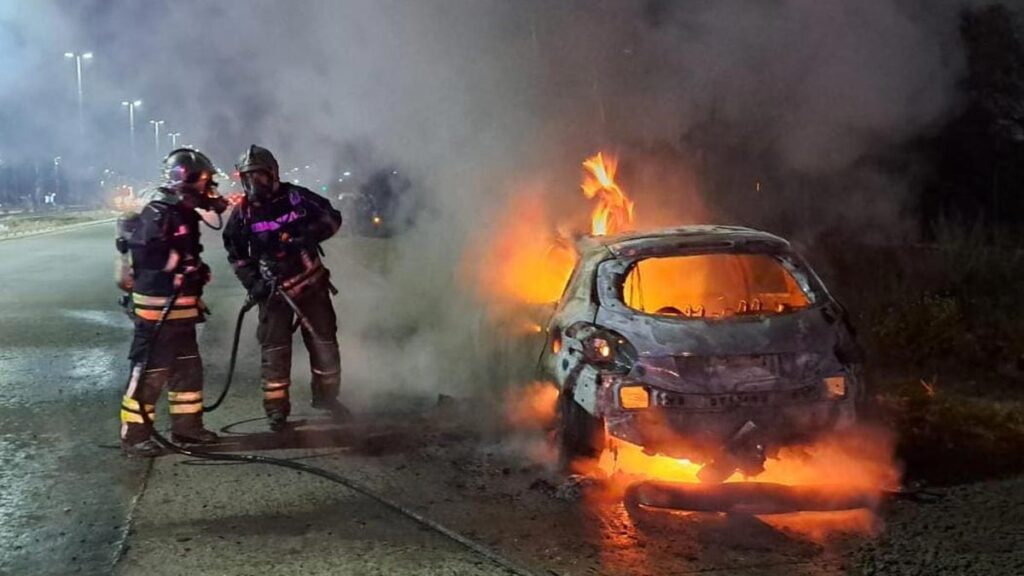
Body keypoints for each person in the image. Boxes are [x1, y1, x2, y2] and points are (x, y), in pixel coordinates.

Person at [223, 145, 348, 431]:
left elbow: (332, 217)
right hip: (273, 292)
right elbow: (236, 253)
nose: (254, 182)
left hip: (311, 286)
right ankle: (276, 410)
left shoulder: (296, 197)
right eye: (248, 177)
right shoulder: (243, 212)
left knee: (325, 345)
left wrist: (307, 236)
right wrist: (253, 283)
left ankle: (327, 399)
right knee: (275, 351)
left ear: (273, 173)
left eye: (259, 175)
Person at [118, 148, 228, 457]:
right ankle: (135, 436)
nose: (210, 189)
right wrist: (180, 265)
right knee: (150, 373)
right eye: (207, 182)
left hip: (181, 310)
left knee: (188, 371)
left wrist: (195, 272)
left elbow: (186, 253)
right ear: (189, 180)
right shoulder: (159, 210)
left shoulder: (182, 212)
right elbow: (147, 252)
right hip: (157, 310)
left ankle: (187, 429)